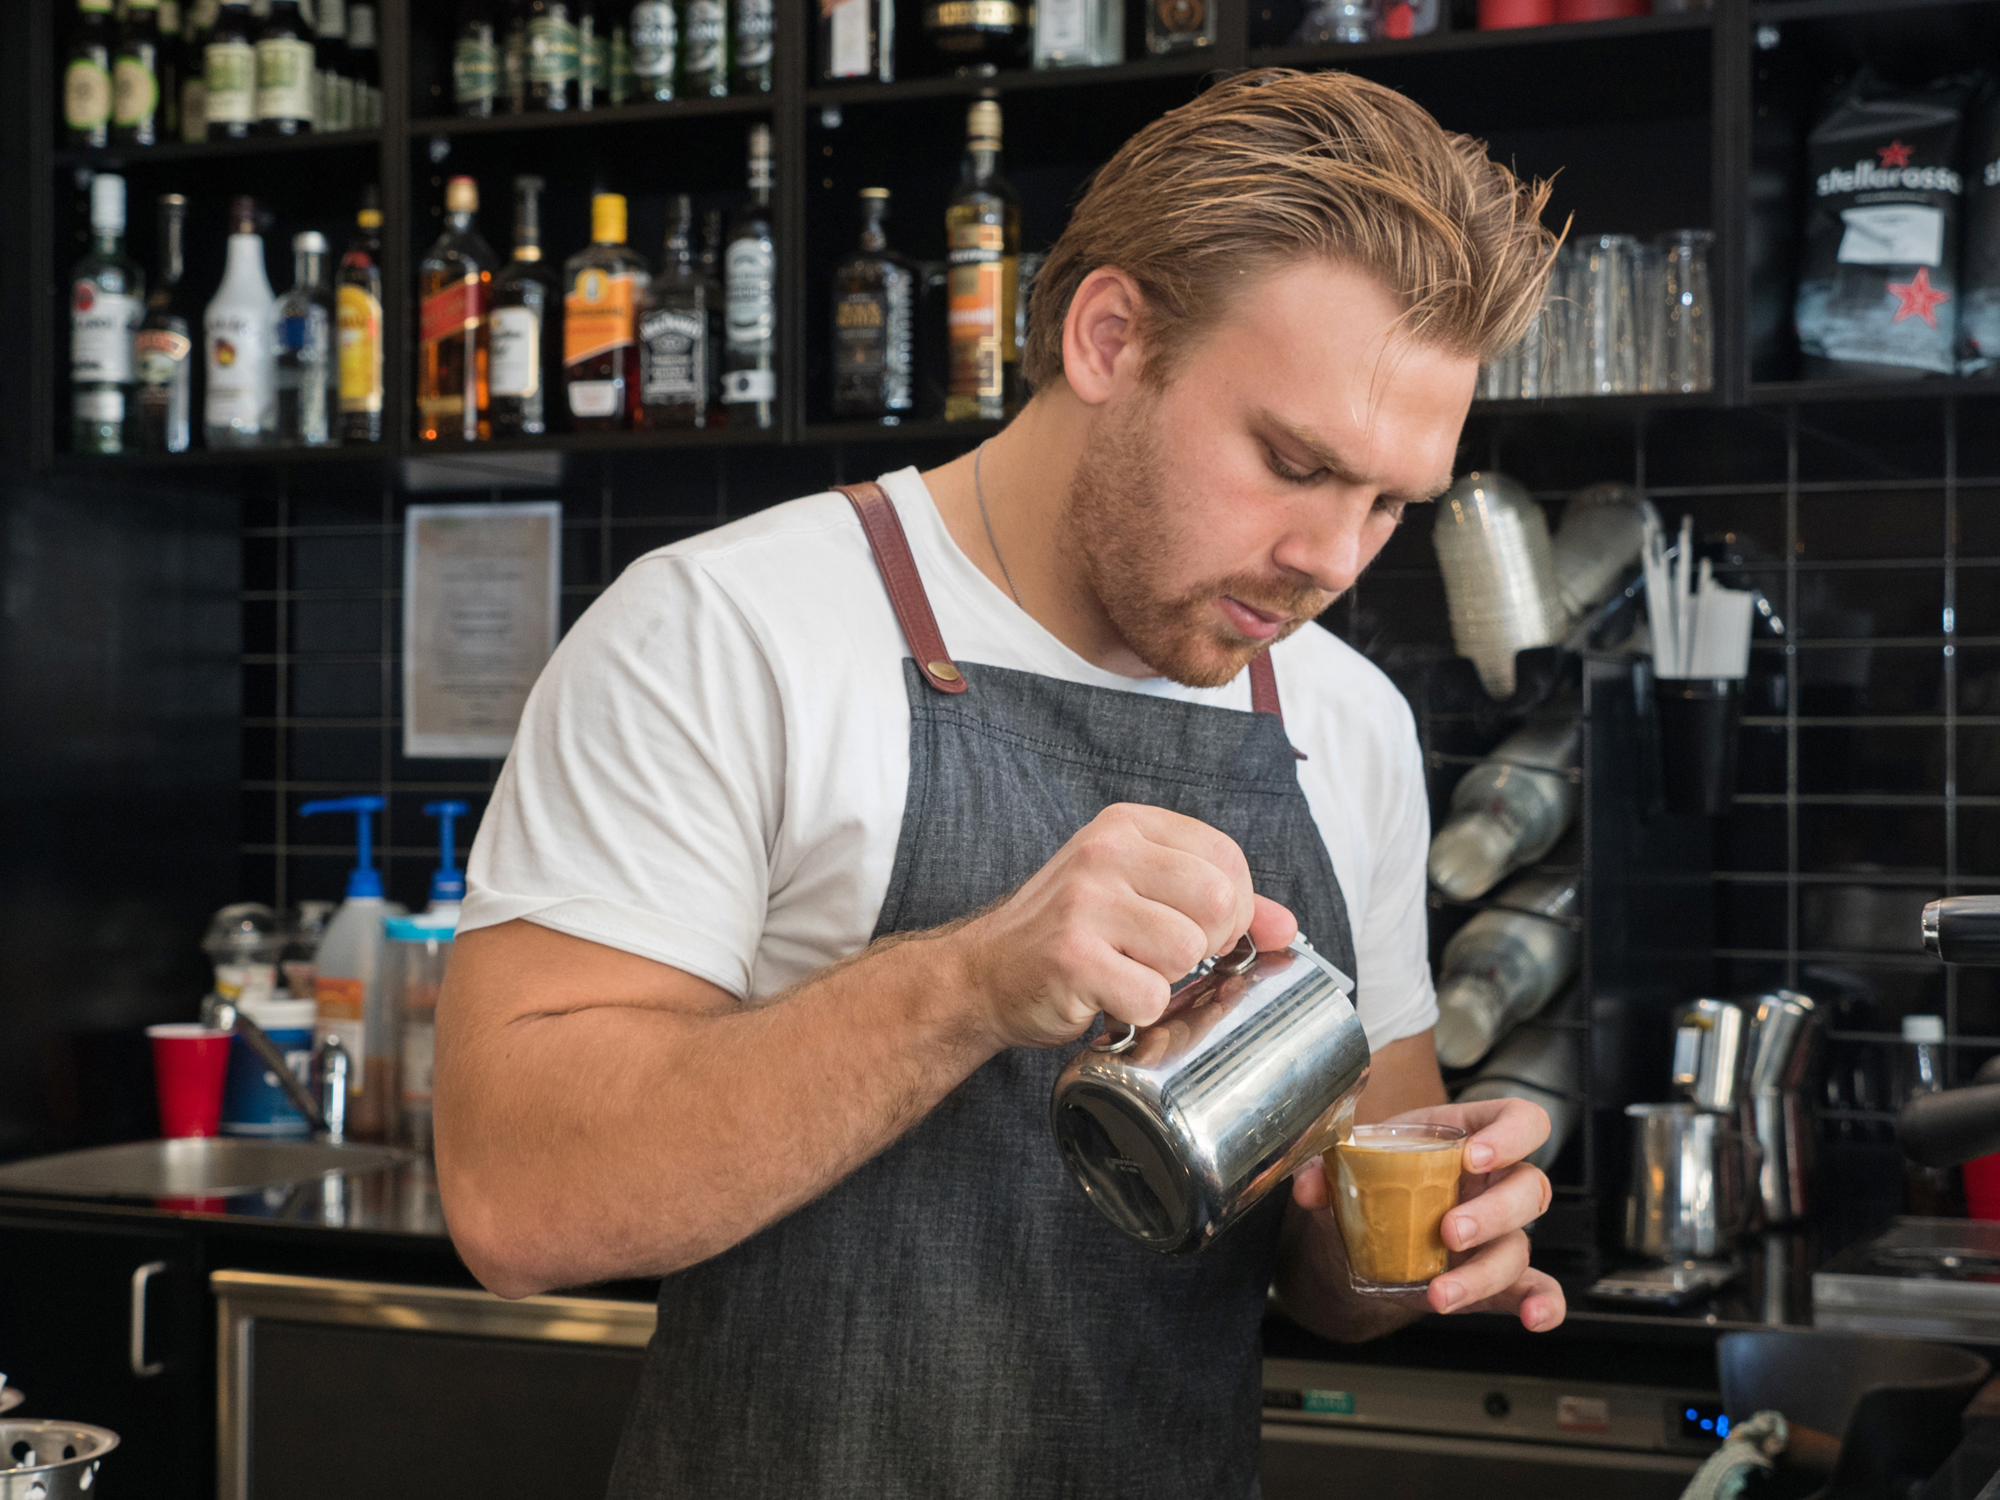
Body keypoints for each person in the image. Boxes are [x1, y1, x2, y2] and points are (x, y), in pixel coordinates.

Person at [436, 67, 1565, 1498]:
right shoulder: (726, 631)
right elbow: (517, 1204)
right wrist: (967, 983)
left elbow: (1324, 1265)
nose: (1337, 561)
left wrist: (1422, 1238)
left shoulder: (1346, 719)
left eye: (1390, 502)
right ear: (1110, 337)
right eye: (1294, 464)